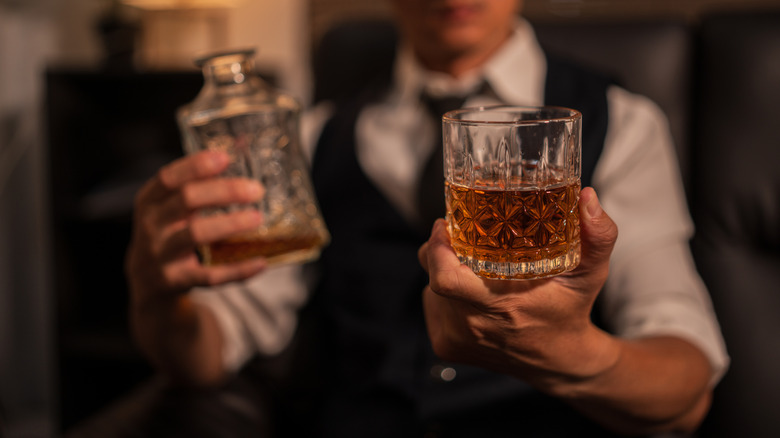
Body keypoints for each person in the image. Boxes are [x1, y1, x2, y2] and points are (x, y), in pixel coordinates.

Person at [124, 0, 728, 436]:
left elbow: (688, 385)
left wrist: (571, 355)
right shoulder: (311, 138)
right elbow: (209, 351)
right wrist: (154, 294)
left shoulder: (620, 122)